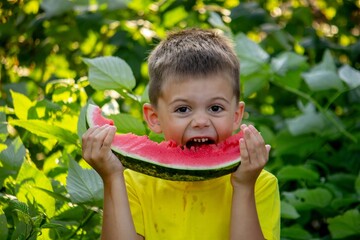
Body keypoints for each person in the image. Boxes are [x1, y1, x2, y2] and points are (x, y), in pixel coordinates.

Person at [82, 28, 280, 240]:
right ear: (154, 118)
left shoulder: (260, 183)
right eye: (183, 109)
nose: (201, 121)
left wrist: (244, 187)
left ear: (236, 115)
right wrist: (112, 178)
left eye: (215, 108)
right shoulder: (133, 182)